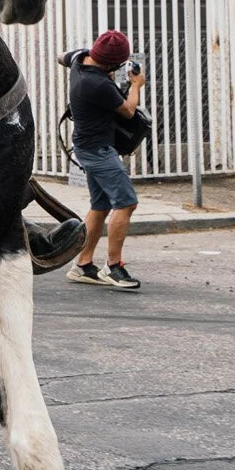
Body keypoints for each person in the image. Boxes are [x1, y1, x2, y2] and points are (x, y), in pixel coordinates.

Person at [64, 30, 145, 290]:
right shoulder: (99, 85)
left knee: (100, 206)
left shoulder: (78, 60)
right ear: (114, 64)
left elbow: (60, 57)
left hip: (85, 145)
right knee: (126, 203)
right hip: (98, 150)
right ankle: (114, 268)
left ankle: (83, 265)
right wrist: (135, 85)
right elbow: (129, 110)